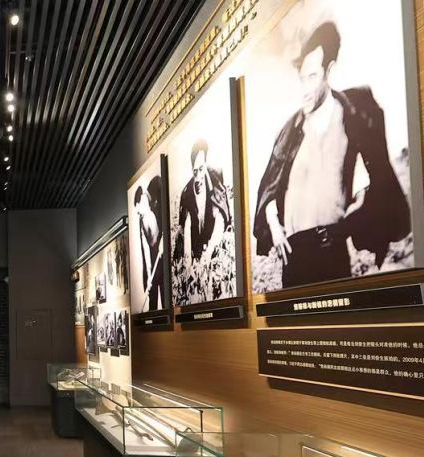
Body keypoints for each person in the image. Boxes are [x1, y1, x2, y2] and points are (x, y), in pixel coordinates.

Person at [253, 21, 410, 288]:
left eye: (312, 77)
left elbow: (369, 180)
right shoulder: (291, 131)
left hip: (333, 250)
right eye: (302, 78)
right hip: (294, 254)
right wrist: (275, 229)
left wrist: (355, 216)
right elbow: (270, 186)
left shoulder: (352, 118)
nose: (305, 89)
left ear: (330, 71)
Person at [174, 139, 230, 265]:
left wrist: (209, 252)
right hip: (196, 242)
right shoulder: (186, 193)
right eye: (195, 172)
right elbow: (186, 228)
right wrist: (188, 263)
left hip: (212, 237)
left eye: (201, 169)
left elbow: (220, 219)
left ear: (205, 165)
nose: (198, 177)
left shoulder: (216, 181)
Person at [134, 176, 166, 312]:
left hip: (163, 259)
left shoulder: (157, 185)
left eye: (139, 211)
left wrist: (164, 238)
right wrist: (148, 277)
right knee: (152, 296)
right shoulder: (142, 221)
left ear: (143, 200)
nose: (139, 215)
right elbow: (146, 251)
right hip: (154, 260)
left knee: (165, 299)